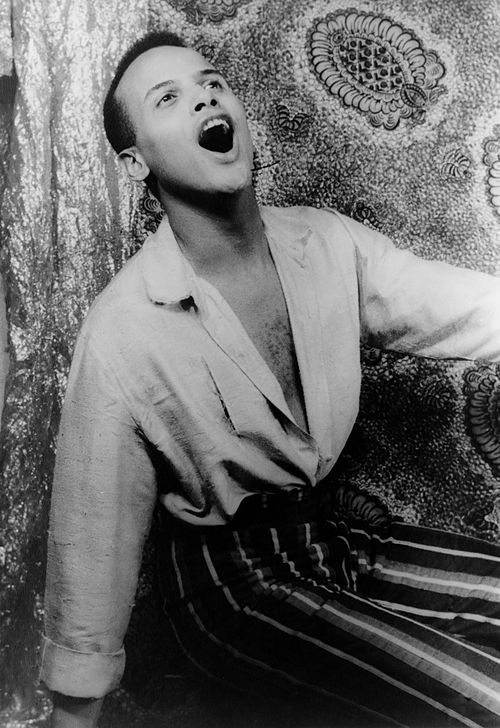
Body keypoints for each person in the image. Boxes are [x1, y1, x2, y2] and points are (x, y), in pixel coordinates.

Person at [40, 29, 500, 728]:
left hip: (335, 537)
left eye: (212, 83)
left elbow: (456, 306)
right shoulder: (123, 330)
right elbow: (91, 540)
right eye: (170, 99)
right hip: (230, 586)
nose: (204, 99)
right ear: (136, 162)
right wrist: (75, 709)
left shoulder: (327, 242)